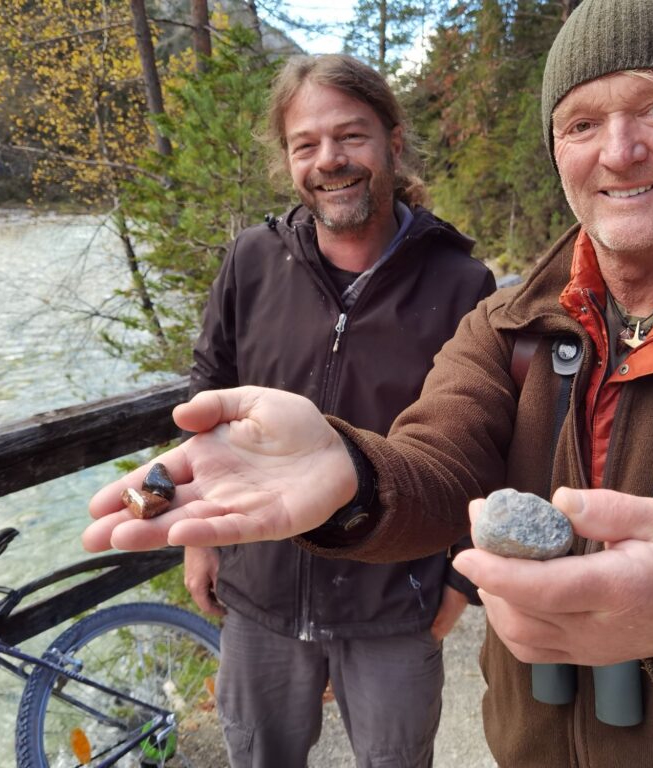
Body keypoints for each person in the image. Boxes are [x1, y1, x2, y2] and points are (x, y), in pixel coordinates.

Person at [85, 2, 653, 766]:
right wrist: (349, 469)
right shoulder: (507, 326)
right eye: (583, 123)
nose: (619, 150)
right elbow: (437, 461)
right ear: (558, 153)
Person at [175, 54, 496, 768]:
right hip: (258, 591)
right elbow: (208, 387)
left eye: (351, 136)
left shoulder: (462, 283)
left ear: (393, 142)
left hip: (395, 600)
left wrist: (463, 578)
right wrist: (197, 537)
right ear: (288, 159)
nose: (330, 160)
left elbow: (490, 440)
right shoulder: (253, 261)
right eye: (306, 144)